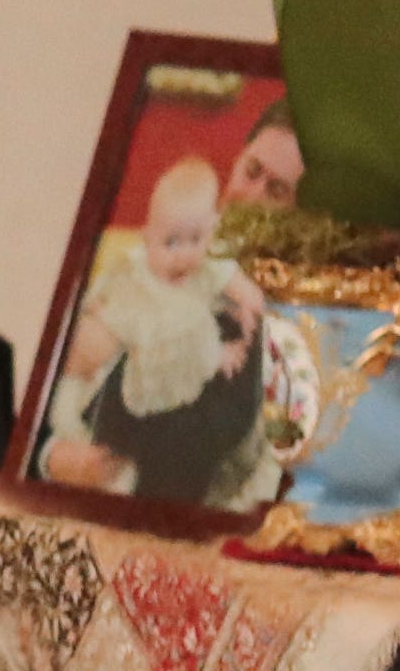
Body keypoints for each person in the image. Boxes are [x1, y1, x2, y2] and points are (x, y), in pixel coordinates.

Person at [44, 155, 277, 508]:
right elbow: (65, 363)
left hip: (172, 507)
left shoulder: (217, 285)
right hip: (86, 439)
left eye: (278, 190)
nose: (183, 256)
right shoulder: (134, 275)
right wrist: (52, 456)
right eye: (252, 172)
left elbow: (257, 470)